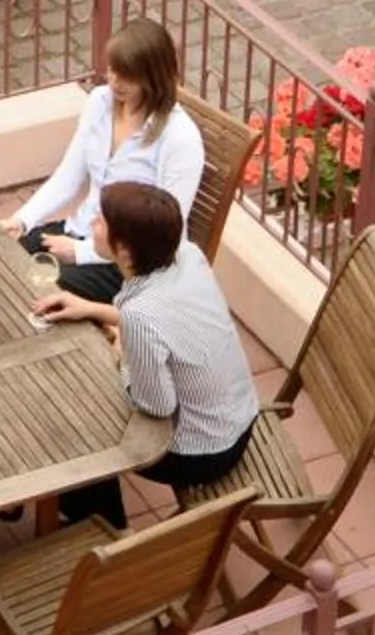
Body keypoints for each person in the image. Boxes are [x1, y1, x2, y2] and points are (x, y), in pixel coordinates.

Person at [33, 180, 261, 533]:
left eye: (102, 221)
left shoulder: (141, 315)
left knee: (80, 412)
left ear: (124, 252)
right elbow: (164, 321)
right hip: (239, 417)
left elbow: (155, 405)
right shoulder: (187, 256)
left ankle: (102, 521)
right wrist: (90, 309)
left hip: (200, 453)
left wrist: (122, 355)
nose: (92, 222)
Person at [0, 18, 204, 306]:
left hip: (124, 265)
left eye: (126, 76)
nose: (113, 82)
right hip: (79, 231)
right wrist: (22, 220)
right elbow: (68, 177)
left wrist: (83, 254)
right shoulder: (100, 101)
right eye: (111, 70)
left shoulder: (180, 139)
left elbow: (164, 236)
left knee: (37, 290)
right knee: (0, 259)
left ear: (154, 76)